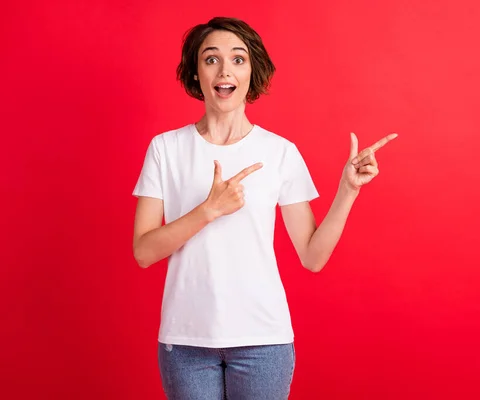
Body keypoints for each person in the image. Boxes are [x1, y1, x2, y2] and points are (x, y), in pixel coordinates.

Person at [132, 16, 397, 400]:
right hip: (185, 340)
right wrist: (208, 210)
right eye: (211, 59)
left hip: (263, 342)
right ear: (195, 74)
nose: (225, 70)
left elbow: (312, 256)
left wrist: (347, 191)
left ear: (252, 72)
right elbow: (143, 251)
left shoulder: (280, 152)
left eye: (238, 59)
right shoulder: (165, 149)